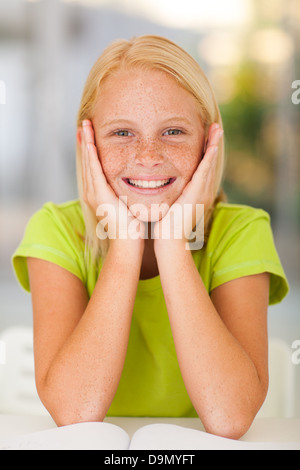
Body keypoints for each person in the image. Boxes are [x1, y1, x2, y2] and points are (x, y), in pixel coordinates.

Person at [12, 35, 289, 439]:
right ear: (87, 144)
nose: (147, 155)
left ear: (208, 143)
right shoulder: (56, 231)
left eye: (173, 131)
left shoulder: (241, 232)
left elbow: (229, 417)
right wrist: (125, 245)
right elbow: (75, 411)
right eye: (122, 133)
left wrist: (172, 244)